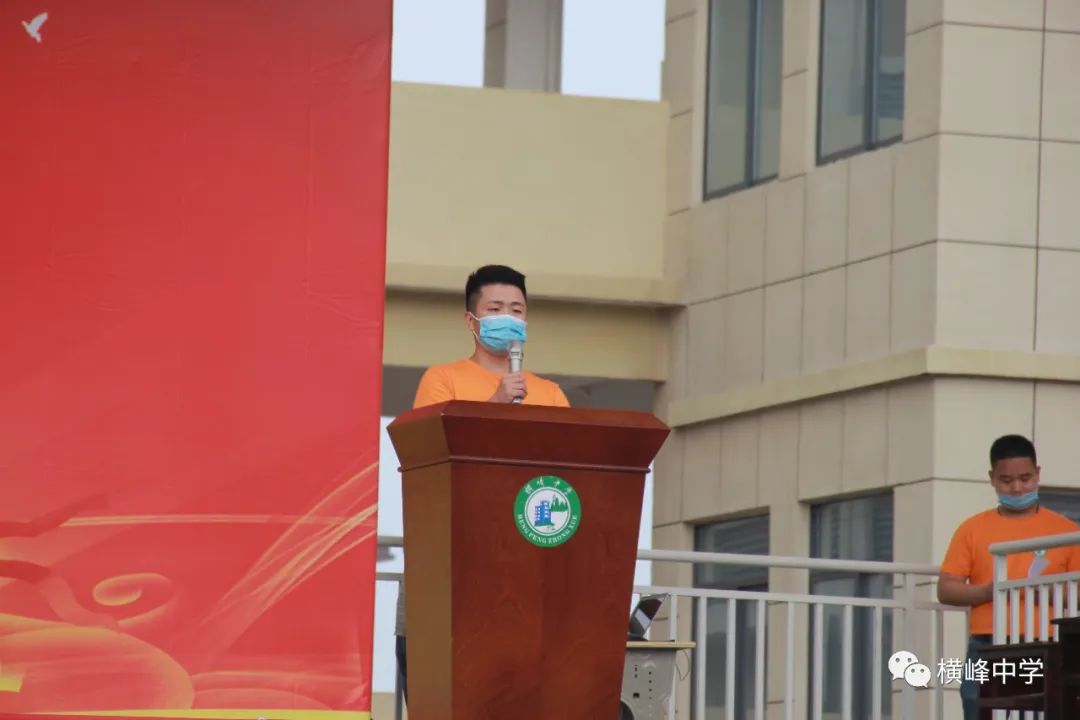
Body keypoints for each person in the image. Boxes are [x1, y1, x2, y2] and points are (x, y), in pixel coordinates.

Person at [394, 264, 570, 702]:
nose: (508, 317)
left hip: (527, 567)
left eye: (517, 310)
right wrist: (495, 404)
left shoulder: (549, 393)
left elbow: (571, 470)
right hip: (451, 564)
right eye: (495, 309)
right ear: (471, 320)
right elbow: (429, 455)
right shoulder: (442, 380)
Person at [938, 434, 1080, 720]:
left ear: (1038, 474)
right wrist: (990, 591)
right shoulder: (972, 529)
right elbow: (947, 588)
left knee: (1050, 708)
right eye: (1006, 480)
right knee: (977, 704)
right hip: (988, 639)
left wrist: (1046, 592)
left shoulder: (1066, 531)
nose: (1017, 488)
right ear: (992, 478)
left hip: (1048, 641)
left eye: (1025, 479)